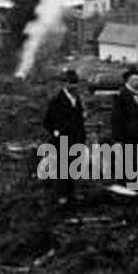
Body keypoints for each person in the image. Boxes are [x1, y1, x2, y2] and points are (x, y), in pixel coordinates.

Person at [43, 68, 86, 203]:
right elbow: (47, 121)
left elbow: (79, 119)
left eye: (75, 83)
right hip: (62, 139)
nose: (73, 86)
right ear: (64, 84)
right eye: (70, 83)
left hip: (76, 138)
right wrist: (56, 132)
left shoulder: (77, 100)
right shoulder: (56, 101)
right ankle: (62, 194)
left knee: (75, 165)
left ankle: (73, 192)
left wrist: (82, 136)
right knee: (62, 167)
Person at [111, 65, 138, 148]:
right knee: (129, 160)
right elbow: (117, 118)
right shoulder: (121, 96)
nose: (137, 82)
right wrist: (118, 138)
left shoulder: (137, 95)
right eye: (134, 80)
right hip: (127, 137)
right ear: (128, 80)